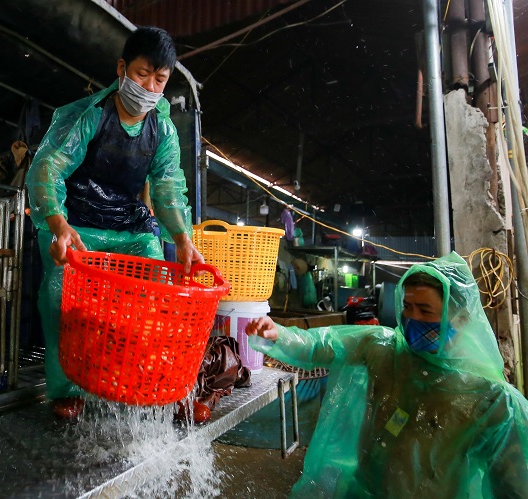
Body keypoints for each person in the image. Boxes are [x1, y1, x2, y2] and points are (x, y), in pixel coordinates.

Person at [26, 27, 203, 419]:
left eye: (160, 79)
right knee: (59, 297)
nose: (150, 87)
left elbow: (169, 186)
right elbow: (47, 169)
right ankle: (66, 388)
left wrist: (184, 238)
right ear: (122, 68)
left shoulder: (163, 130)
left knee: (153, 277)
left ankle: (136, 375)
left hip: (128, 227)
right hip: (76, 225)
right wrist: (58, 225)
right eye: (142, 74)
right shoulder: (87, 116)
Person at [246, 252, 528, 497]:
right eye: (407, 307)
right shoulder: (383, 349)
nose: (412, 318)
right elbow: (322, 345)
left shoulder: (491, 400)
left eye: (425, 310)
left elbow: (514, 487)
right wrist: (278, 334)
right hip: (361, 491)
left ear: (461, 318)